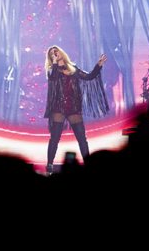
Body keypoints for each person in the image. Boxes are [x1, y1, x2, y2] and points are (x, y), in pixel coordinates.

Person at [44, 45, 109, 175]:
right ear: (51, 58)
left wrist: (98, 65)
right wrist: (55, 63)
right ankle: (50, 165)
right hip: (58, 107)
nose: (55, 54)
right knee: (55, 138)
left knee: (82, 138)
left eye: (56, 51)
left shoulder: (73, 68)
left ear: (61, 52)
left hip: (73, 106)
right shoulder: (52, 70)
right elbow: (54, 77)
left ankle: (88, 164)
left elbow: (89, 77)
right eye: (52, 54)